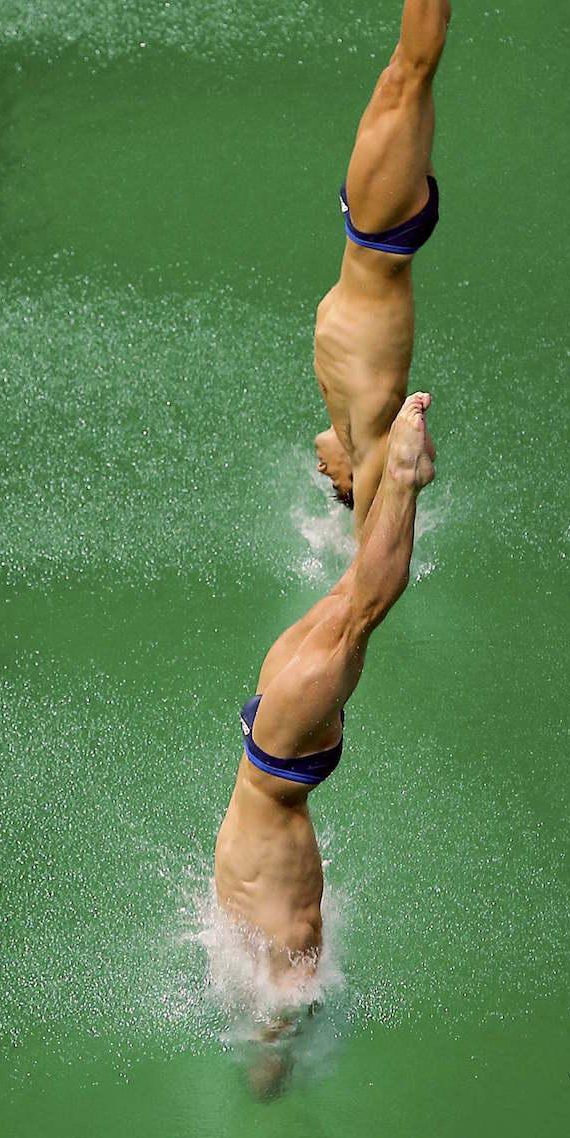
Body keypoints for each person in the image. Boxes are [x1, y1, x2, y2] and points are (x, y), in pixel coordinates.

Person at [212, 392, 438, 1092]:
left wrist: (270, 1064)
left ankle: (397, 475)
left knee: (357, 608)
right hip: (270, 749)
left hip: (278, 758)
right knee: (351, 606)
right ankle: (382, 475)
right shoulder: (281, 968)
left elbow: (299, 922)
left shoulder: (282, 981)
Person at [312, 0, 452, 531]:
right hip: (379, 233)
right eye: (329, 482)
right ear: (350, 483)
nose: (319, 471)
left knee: (406, 75)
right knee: (411, 70)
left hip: (373, 235)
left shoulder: (343, 417)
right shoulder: (367, 437)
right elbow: (376, 527)